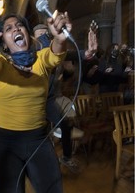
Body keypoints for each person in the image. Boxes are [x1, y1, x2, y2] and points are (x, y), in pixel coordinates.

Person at [0, 1, 71, 193]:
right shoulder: (0, 64)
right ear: (3, 42)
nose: (16, 29)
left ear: (27, 36)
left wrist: (60, 39)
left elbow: (55, 52)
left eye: (19, 26)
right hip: (5, 143)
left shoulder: (41, 59)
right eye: (8, 28)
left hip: (39, 140)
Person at [33, 21, 98, 173]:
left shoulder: (55, 54)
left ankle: (66, 157)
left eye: (46, 34)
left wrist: (88, 52)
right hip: (32, 100)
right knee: (35, 132)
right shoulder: (32, 52)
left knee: (66, 124)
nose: (45, 37)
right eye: (40, 35)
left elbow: (77, 54)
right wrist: (48, 36)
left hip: (48, 100)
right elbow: (39, 48)